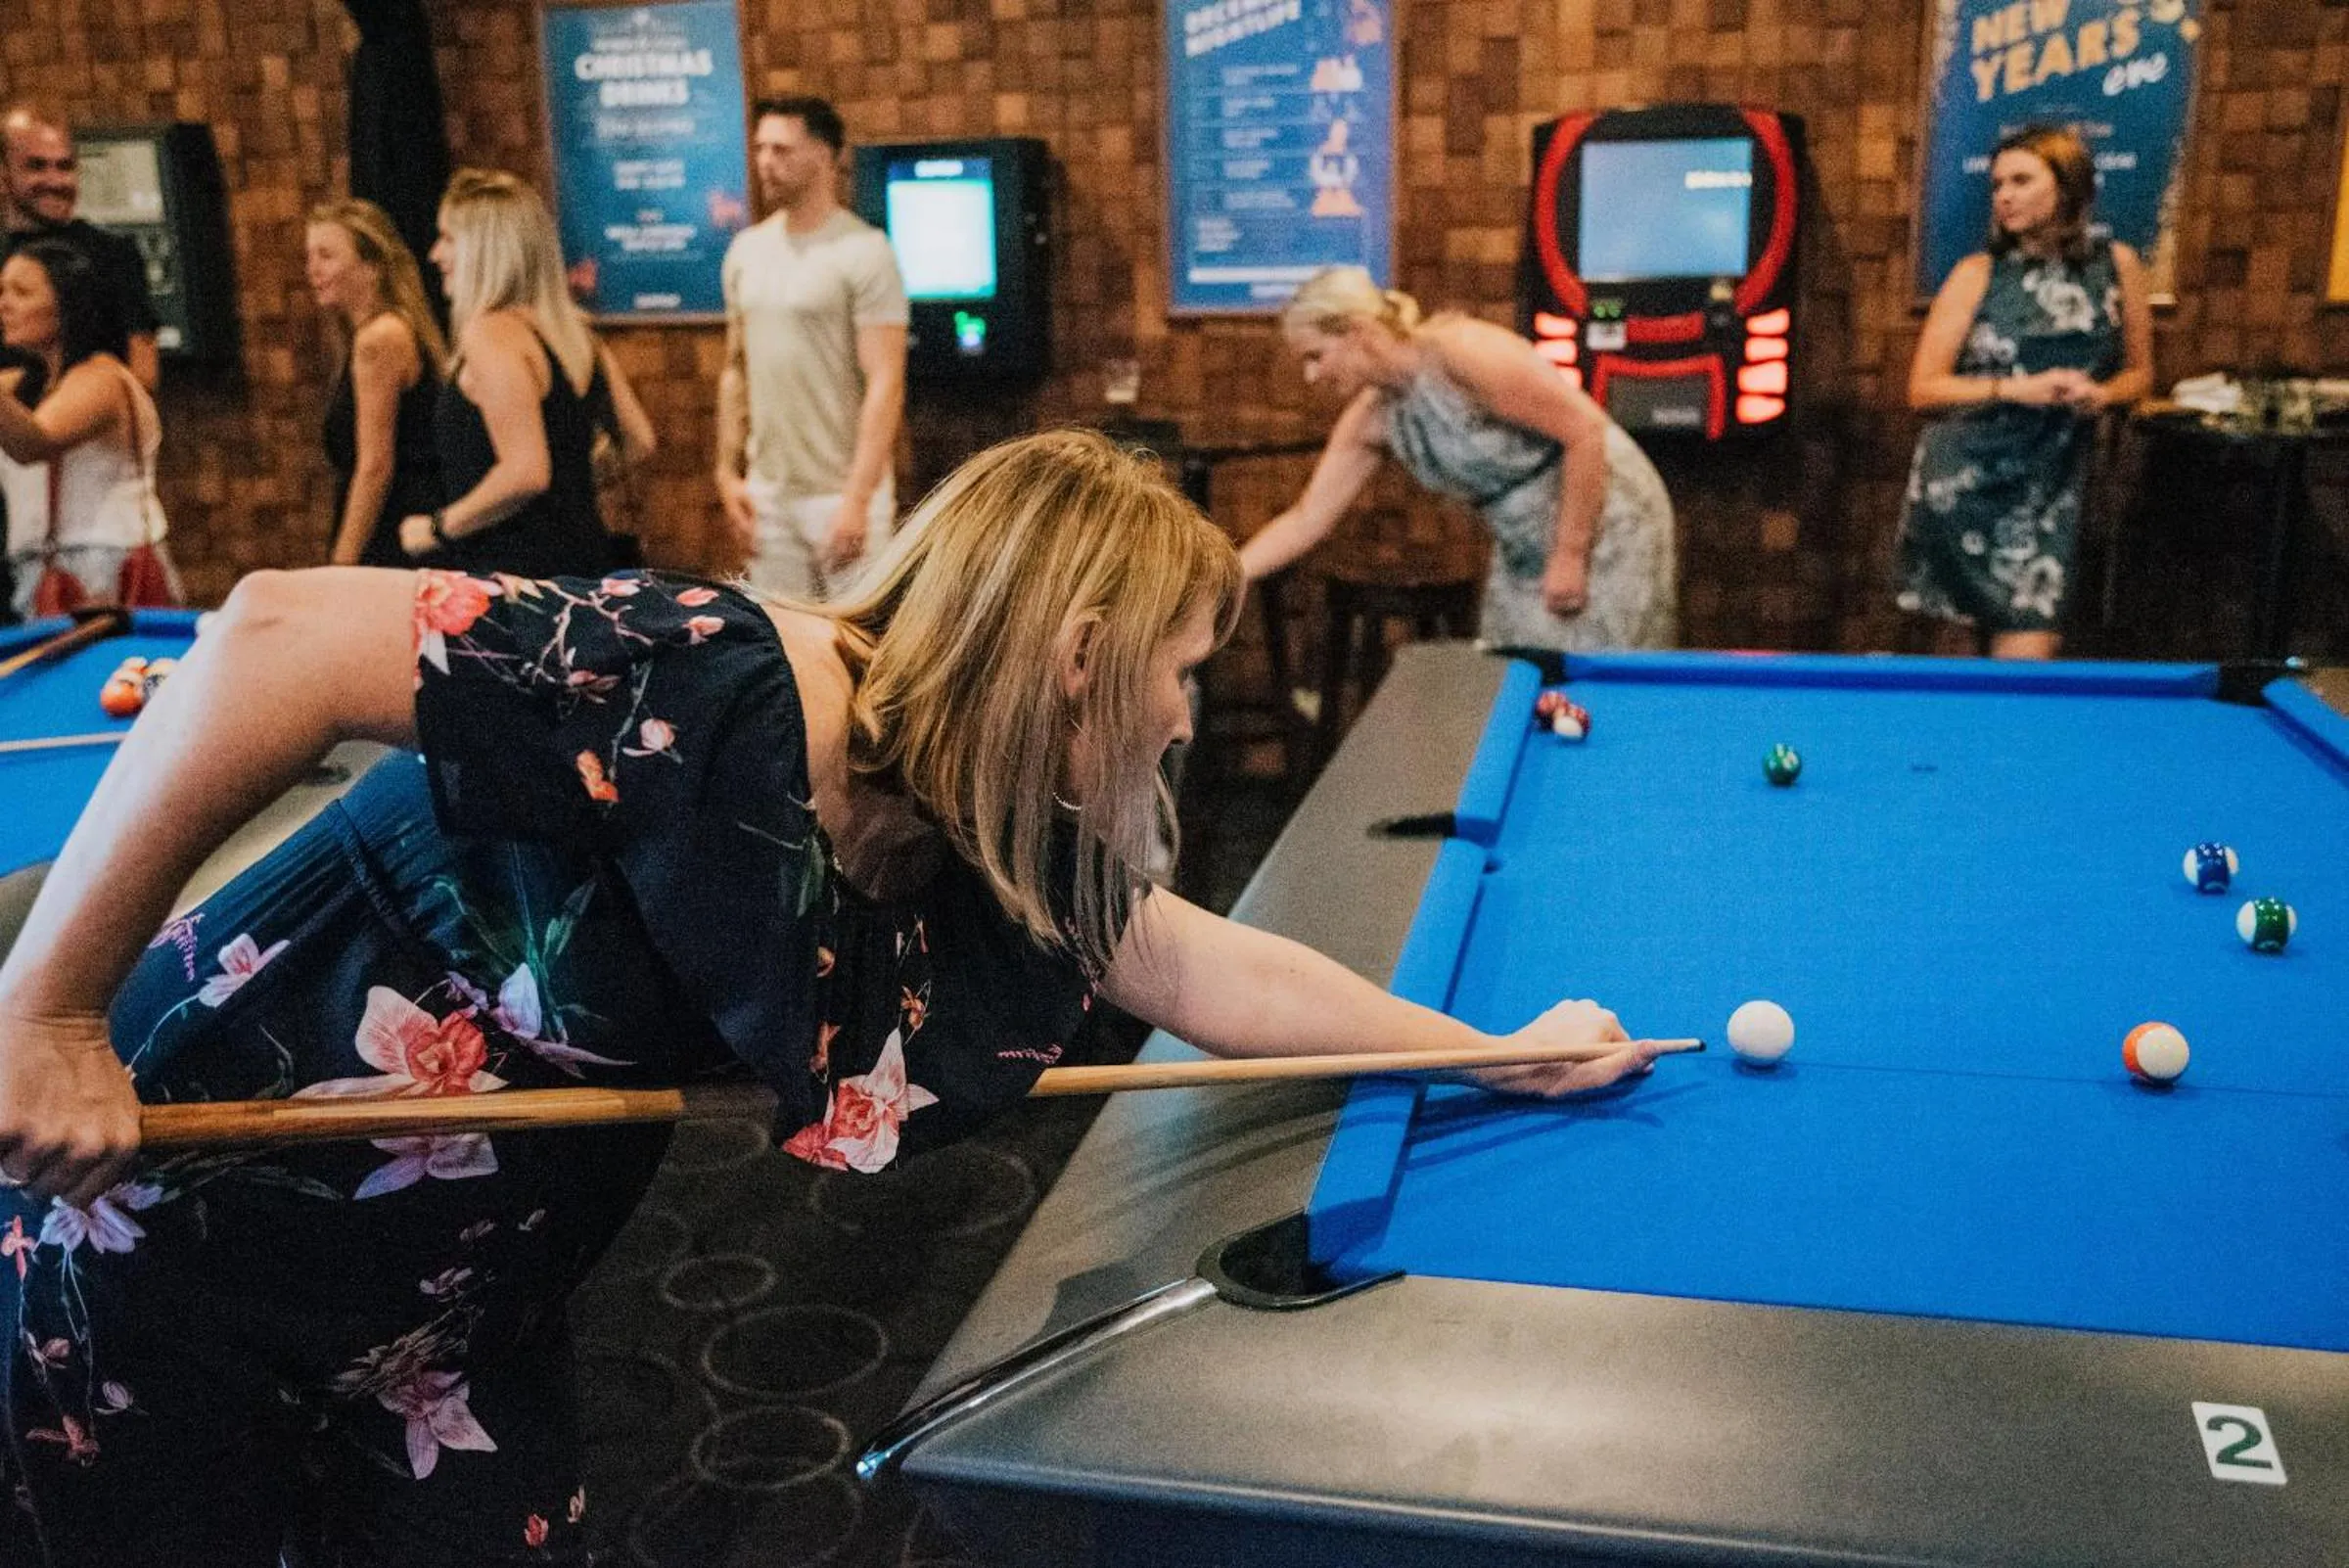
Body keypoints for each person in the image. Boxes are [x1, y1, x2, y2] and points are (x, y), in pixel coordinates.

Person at [0, 429, 1655, 1564]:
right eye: (1180, 667)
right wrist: (48, 1013)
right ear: (1076, 653)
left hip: (452, 1306)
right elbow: (267, 636)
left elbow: (1190, 956)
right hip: (163, 1219)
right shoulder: (706, 676)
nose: (1180, 716)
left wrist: (1489, 1056)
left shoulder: (971, 812)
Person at [1239, 266, 1677, 652]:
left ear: (1357, 331)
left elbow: (1584, 432)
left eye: (1316, 356)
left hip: (1606, 514)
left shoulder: (1463, 353)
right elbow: (1306, 519)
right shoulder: (1374, 418)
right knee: (1513, 678)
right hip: (1524, 542)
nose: (1311, 375)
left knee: (1604, 677)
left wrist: (1570, 553)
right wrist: (1230, 577)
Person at [1895, 123, 2153, 660]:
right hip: (1964, 481)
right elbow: (1923, 389)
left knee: (2029, 659)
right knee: (1955, 682)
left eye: (2020, 180)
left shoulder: (2118, 265)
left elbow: (2141, 375)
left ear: (2067, 187)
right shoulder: (1977, 273)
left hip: (2051, 481)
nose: (2003, 196)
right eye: (1996, 185)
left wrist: (2102, 396)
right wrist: (2022, 388)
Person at [397, 168, 655, 576]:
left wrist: (437, 527)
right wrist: (570, 488)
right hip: (582, 563)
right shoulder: (573, 331)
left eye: (448, 238)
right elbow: (640, 440)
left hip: (516, 579)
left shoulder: (490, 334)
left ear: (486, 249)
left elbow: (525, 471)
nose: (435, 254)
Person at [714, 96, 908, 599]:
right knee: (781, 647)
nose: (765, 162)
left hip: (841, 493)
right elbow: (736, 368)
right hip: (770, 495)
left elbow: (886, 380)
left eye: (781, 149)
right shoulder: (745, 250)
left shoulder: (865, 252)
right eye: (760, 148)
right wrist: (726, 471)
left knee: (856, 649)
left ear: (825, 156)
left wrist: (858, 500)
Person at [0, 240, 177, 621]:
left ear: (67, 306)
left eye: (22, 292)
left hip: (106, 570)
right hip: (41, 575)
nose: (4, 304)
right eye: (2, 291)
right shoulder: (21, 384)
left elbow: (33, 443)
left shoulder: (103, 379)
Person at [307, 199, 447, 568]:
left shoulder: (381, 338)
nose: (314, 270)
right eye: (310, 256)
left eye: (327, 255)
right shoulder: (381, 331)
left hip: (395, 535)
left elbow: (375, 466)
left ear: (372, 268)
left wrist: (342, 563)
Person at [1, 105, 160, 392]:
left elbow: (143, 376)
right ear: (3, 174)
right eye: (36, 166)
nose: (55, 181)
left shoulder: (113, 253)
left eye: (65, 166)